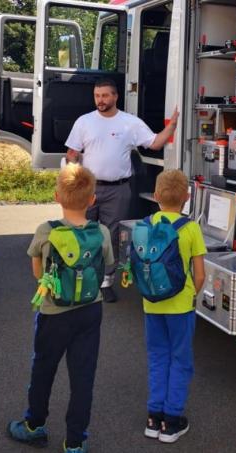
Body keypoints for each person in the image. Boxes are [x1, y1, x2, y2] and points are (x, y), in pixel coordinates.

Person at [7, 164, 113, 453]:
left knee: (43, 368)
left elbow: (37, 271)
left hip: (54, 313)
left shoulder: (46, 231)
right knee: (83, 377)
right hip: (91, 311)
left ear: (56, 196)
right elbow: (108, 264)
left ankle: (34, 426)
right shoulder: (101, 232)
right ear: (92, 200)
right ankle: (75, 442)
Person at [64, 78, 179, 302]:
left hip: (118, 189)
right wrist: (71, 166)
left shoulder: (130, 123)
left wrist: (172, 125)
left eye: (105, 95)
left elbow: (154, 143)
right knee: (81, 233)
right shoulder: (84, 122)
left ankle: (106, 282)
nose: (100, 100)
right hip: (87, 189)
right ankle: (78, 280)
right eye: (97, 96)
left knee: (111, 235)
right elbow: (72, 152)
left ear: (116, 96)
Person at [138, 169, 206, 444]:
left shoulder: (146, 223)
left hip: (151, 304)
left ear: (155, 196)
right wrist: (192, 295)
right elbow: (199, 274)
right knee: (180, 360)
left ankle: (153, 418)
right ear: (187, 197)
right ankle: (172, 421)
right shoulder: (190, 228)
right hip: (180, 307)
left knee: (157, 358)